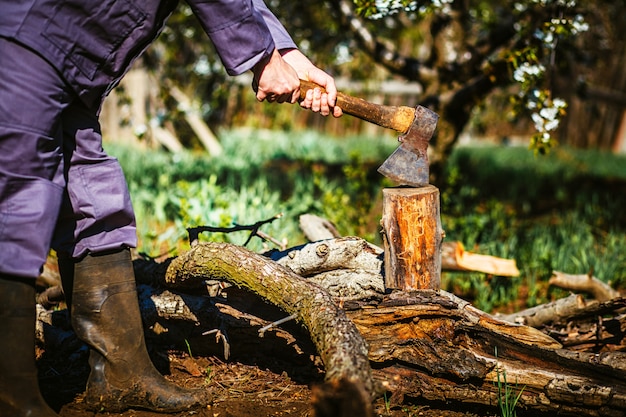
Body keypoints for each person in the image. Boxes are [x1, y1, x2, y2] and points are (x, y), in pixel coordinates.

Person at [0, 0, 342, 415]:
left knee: (92, 194)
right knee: (15, 203)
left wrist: (284, 53)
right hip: (28, 37)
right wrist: (261, 58)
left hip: (71, 61)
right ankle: (11, 397)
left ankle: (119, 375)